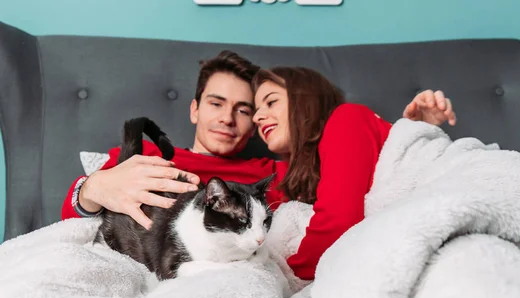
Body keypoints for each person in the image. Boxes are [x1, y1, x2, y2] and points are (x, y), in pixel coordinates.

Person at [62, 50, 452, 239]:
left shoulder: (273, 176)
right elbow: (70, 217)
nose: (228, 118)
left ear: (256, 126)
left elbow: (354, 175)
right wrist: (93, 188)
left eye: (245, 110)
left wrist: (410, 132)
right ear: (195, 109)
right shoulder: (144, 157)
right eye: (216, 104)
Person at [251, 66, 456, 281]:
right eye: (255, 110)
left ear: (305, 100)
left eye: (271, 102)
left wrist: (283, 279)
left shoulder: (346, 118)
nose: (257, 117)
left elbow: (338, 221)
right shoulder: (296, 175)